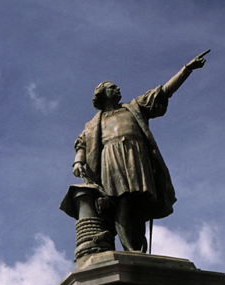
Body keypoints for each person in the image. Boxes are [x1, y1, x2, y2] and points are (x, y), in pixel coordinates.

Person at [71, 51, 209, 252]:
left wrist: (186, 70)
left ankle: (135, 247)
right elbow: (81, 143)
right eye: (111, 87)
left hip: (136, 156)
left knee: (137, 202)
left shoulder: (134, 107)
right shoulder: (93, 124)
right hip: (111, 157)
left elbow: (163, 92)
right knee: (122, 200)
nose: (117, 88)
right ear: (102, 94)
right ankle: (131, 248)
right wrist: (78, 162)